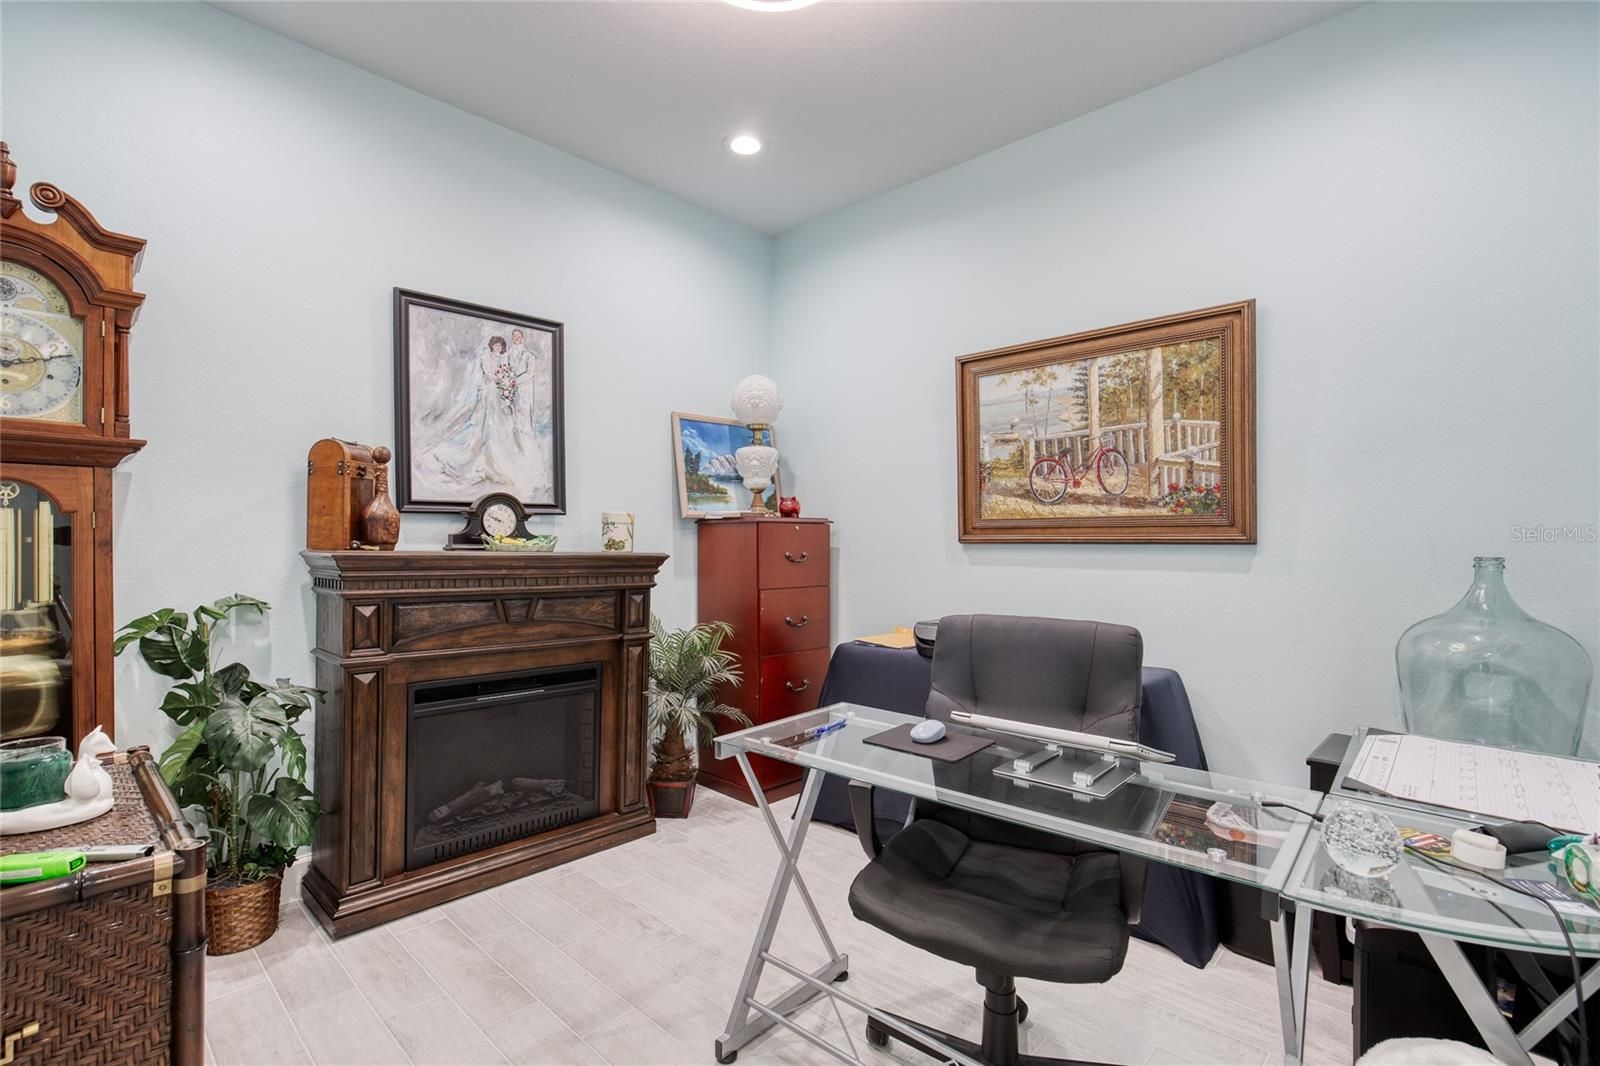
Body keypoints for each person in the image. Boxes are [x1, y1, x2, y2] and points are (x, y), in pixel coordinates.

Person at [424, 332, 537, 496]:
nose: (497, 347)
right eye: (495, 345)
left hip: (500, 391)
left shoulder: (505, 357)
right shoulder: (485, 356)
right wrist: (501, 380)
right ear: (492, 346)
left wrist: (506, 381)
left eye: (500, 345)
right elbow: (488, 373)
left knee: (501, 421)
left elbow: (508, 372)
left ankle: (502, 457)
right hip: (490, 391)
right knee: (488, 422)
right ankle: (485, 457)